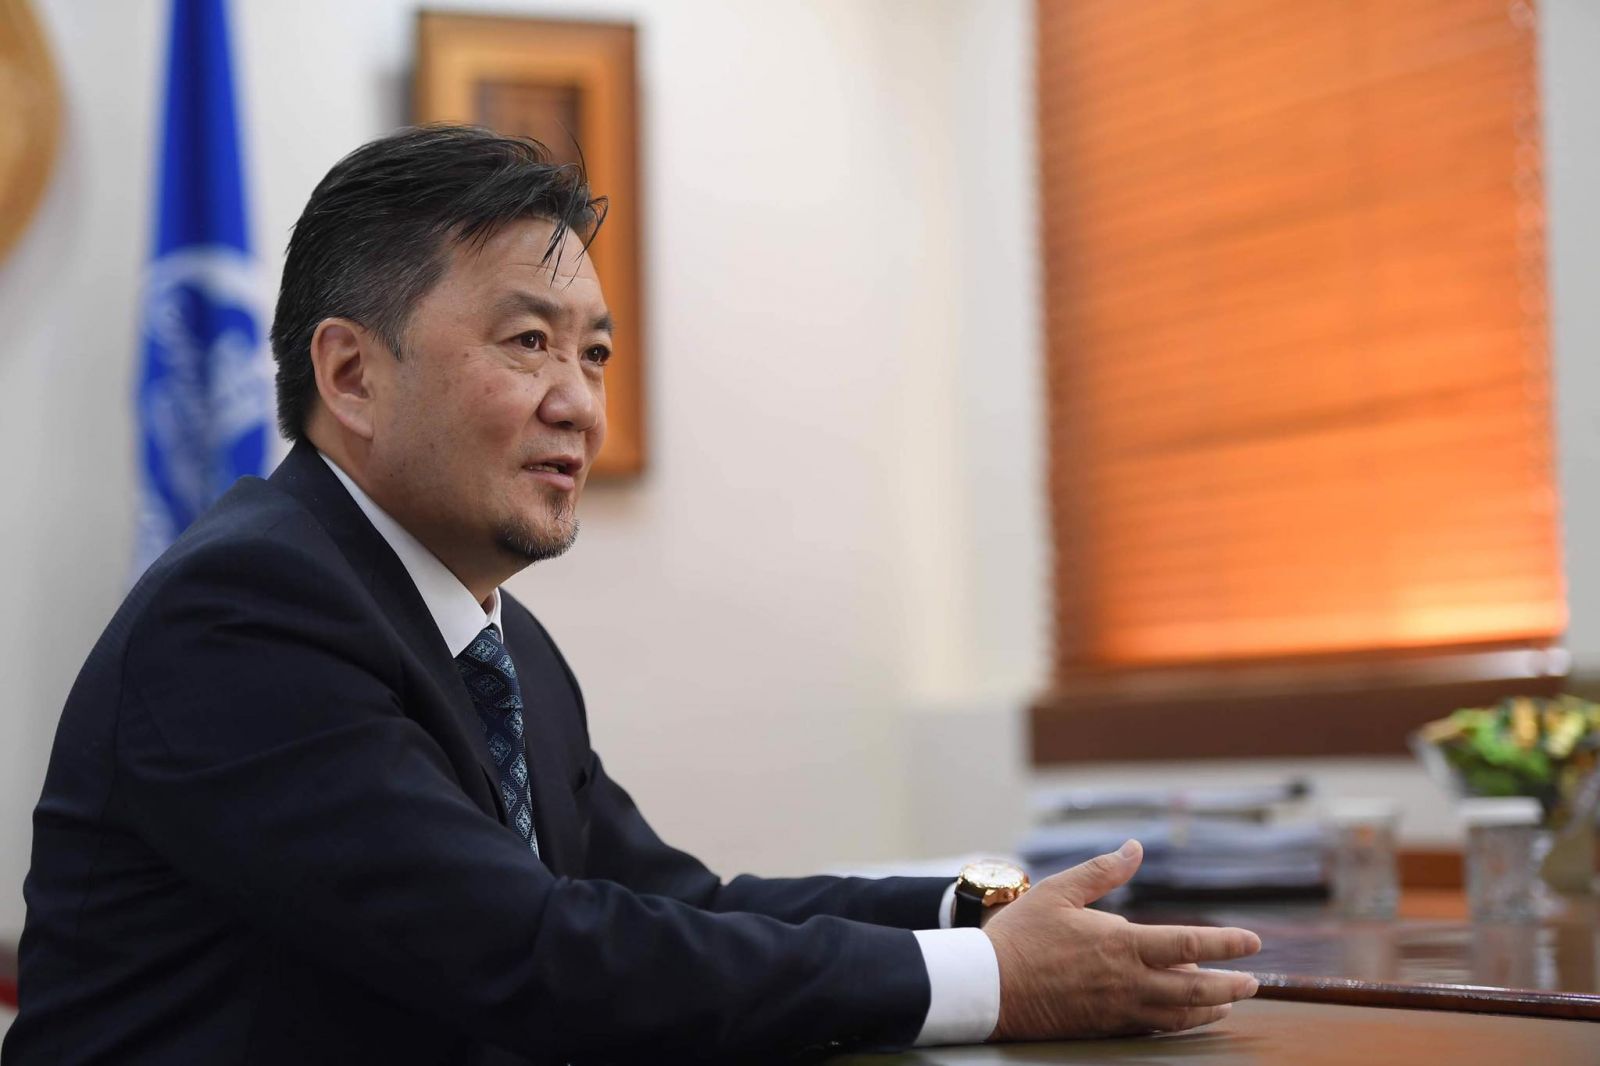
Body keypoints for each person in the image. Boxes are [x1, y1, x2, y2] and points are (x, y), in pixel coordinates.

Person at [3, 126, 1261, 1064]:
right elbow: (532, 957)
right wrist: (988, 981)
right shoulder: (244, 613)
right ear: (350, 375)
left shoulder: (498, 643)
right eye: (528, 342)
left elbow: (674, 907)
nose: (579, 402)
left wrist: (979, 908)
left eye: (594, 351)